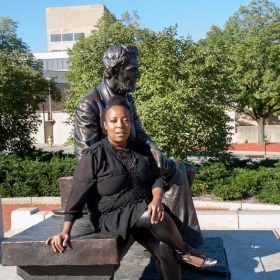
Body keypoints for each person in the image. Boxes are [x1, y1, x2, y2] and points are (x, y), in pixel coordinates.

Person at [46, 97, 218, 280]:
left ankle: (179, 252)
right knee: (154, 215)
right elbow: (76, 196)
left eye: (125, 120)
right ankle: (186, 251)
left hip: (141, 213)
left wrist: (156, 199)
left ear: (131, 124)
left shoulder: (141, 149)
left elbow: (157, 179)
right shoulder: (94, 155)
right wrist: (66, 230)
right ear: (105, 125)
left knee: (165, 249)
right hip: (111, 216)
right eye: (114, 121)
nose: (120, 125)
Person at [73, 44, 204, 248]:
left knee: (187, 170)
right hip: (113, 182)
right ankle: (186, 248)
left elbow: (140, 133)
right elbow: (84, 155)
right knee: (178, 170)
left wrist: (154, 151)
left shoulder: (127, 98)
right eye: (132, 69)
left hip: (135, 161)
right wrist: (129, 166)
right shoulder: (88, 104)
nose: (138, 74)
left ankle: (171, 236)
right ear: (115, 71)